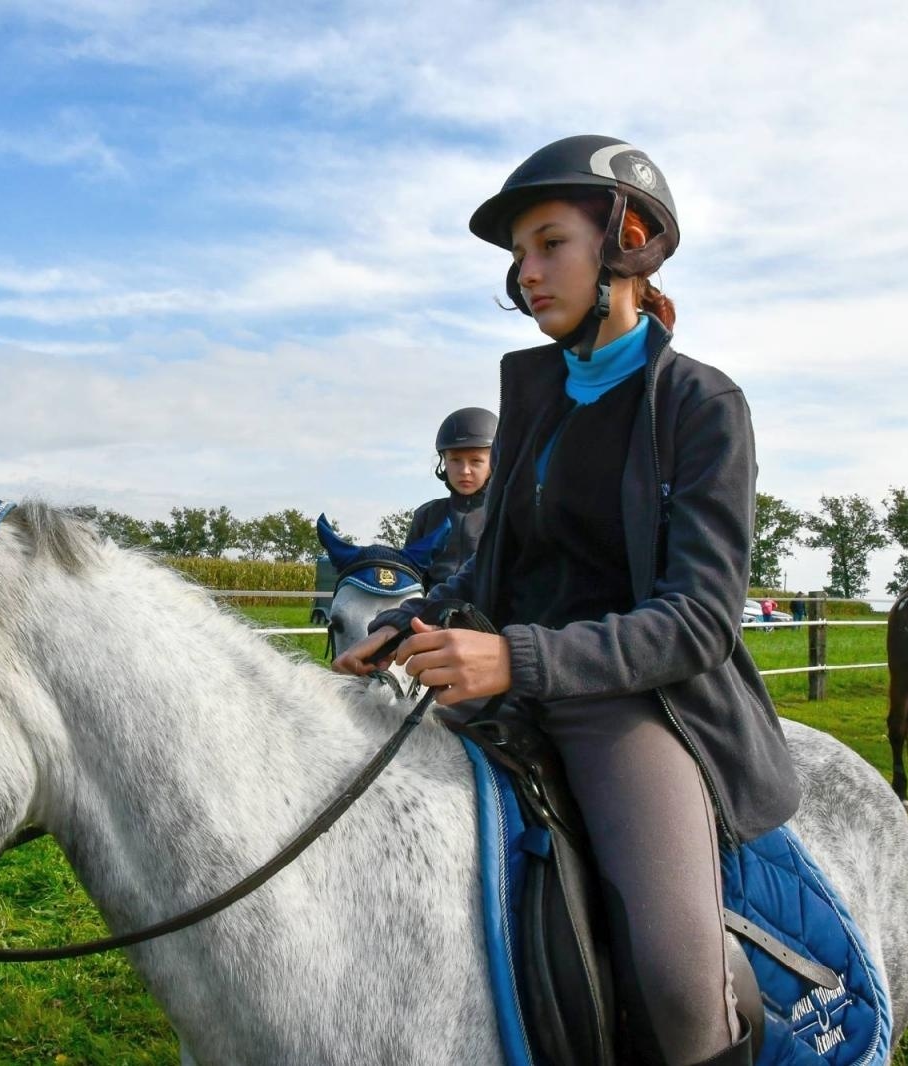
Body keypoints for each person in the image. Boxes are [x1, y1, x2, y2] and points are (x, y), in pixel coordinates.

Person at [333, 135, 797, 1066]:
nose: (525, 274)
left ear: (626, 244)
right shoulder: (534, 397)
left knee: (675, 983)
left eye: (549, 245)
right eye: (518, 257)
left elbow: (702, 619)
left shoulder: (702, 404)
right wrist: (406, 624)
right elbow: (493, 568)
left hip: (633, 702)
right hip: (503, 682)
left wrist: (522, 659)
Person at [406, 407, 497, 589]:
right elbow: (410, 575)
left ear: (494, 462)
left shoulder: (504, 514)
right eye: (455, 460)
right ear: (444, 462)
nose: (464, 471)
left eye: (476, 461)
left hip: (489, 613)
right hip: (431, 610)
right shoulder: (426, 515)